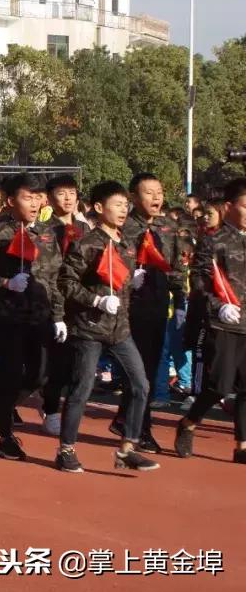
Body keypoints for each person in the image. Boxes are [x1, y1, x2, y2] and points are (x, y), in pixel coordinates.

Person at [56, 181, 159, 473]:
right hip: (89, 329)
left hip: (120, 329)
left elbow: (119, 281)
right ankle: (66, 449)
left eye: (126, 205)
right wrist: (97, 301)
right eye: (117, 205)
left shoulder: (126, 242)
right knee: (82, 389)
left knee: (141, 385)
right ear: (100, 208)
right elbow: (66, 282)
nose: (123, 210)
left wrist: (132, 282)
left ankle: (127, 448)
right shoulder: (87, 243)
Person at [0, 173, 66, 461]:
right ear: (11, 201)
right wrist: (6, 283)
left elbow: (56, 277)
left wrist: (59, 315)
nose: (35, 203)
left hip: (41, 312)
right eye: (28, 197)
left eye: (38, 197)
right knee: (12, 371)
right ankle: (5, 436)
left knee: (40, 373)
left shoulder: (49, 232)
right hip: (8, 313)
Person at [175, 177, 246, 465]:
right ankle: (188, 423)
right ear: (229, 206)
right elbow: (200, 281)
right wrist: (219, 306)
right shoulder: (213, 240)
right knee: (219, 385)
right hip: (225, 322)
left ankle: (242, 445)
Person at [114, 173, 186, 453]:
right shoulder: (124, 226)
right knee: (138, 372)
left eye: (159, 192)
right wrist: (127, 279)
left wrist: (180, 301)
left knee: (151, 367)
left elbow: (177, 266)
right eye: (149, 192)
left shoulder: (168, 226)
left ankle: (126, 419)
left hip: (157, 306)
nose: (156, 198)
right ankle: (141, 429)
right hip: (129, 307)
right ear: (133, 197)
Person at [40, 175, 90, 436]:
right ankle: (50, 410)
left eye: (72, 192)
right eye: (61, 193)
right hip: (54, 303)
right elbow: (47, 273)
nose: (68, 198)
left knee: (75, 365)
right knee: (54, 365)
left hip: (80, 303)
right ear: (50, 199)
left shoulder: (85, 229)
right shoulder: (45, 230)